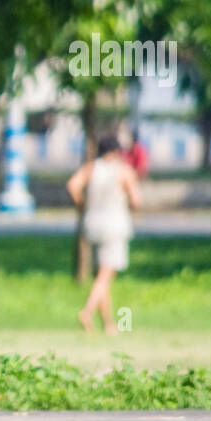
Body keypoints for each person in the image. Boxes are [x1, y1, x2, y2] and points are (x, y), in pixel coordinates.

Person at [66, 134, 141, 335]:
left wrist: (82, 204)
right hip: (114, 224)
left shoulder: (92, 168)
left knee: (101, 274)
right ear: (116, 152)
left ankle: (108, 325)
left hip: (92, 223)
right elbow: (136, 200)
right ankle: (87, 312)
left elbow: (73, 185)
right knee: (105, 276)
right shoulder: (123, 171)